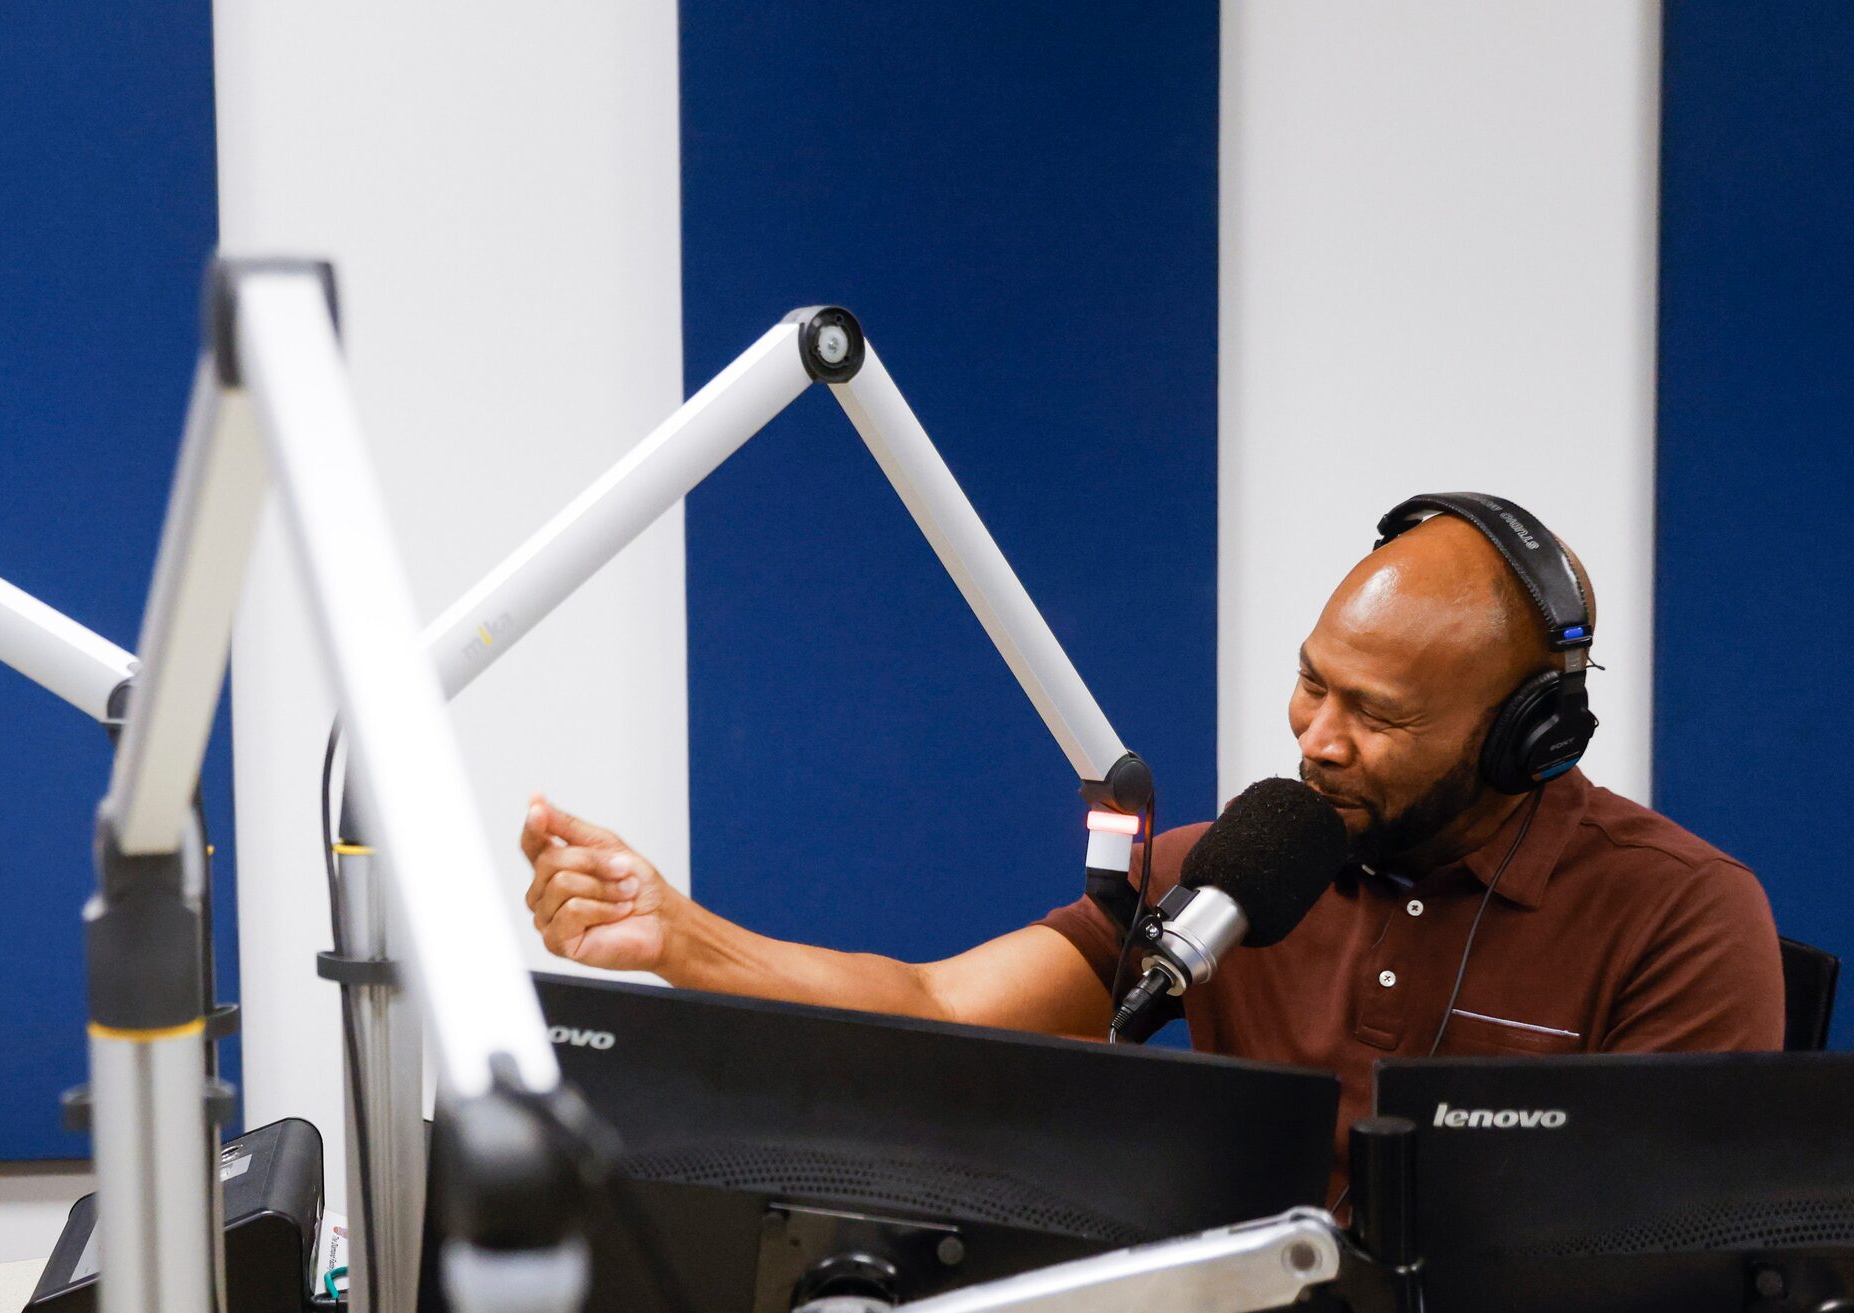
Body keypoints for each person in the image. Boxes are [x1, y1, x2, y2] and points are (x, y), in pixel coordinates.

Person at [519, 494, 1783, 1170]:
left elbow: (1657, 1272)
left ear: (1526, 737)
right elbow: (941, 1008)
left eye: (1377, 714)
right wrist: (681, 938)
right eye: (1312, 683)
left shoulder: (1678, 915)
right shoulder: (1231, 873)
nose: (1316, 739)